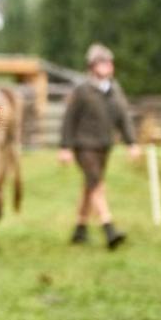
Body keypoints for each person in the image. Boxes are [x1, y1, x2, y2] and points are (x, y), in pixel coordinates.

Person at [58, 43, 141, 247]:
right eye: (101, 62)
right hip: (84, 146)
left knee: (90, 186)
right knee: (97, 185)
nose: (106, 66)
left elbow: (124, 118)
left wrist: (132, 143)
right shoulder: (82, 90)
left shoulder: (115, 90)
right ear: (92, 65)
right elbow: (69, 119)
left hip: (104, 147)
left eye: (108, 62)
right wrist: (65, 147)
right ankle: (108, 227)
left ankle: (80, 228)